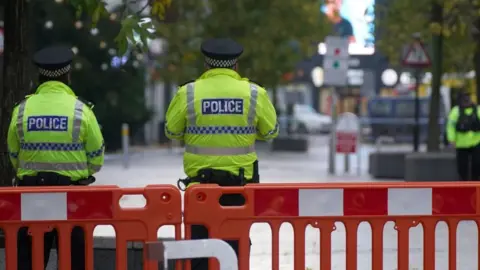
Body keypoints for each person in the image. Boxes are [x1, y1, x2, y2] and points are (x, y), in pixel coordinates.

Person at [165, 38, 279, 269]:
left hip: (200, 188)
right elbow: (271, 132)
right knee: (235, 244)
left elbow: (171, 131)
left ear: (207, 66)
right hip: (240, 187)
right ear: (235, 66)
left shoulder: (188, 93)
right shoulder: (254, 93)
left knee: (199, 245)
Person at [7, 45, 105, 270]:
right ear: (67, 75)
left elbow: (14, 154)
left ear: (40, 76)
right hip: (72, 199)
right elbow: (96, 158)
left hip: (31, 198)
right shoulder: (81, 110)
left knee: (30, 261)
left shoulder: (22, 110)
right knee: (74, 261)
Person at [447, 92, 480, 181]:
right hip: (461, 143)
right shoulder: (456, 111)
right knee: (462, 167)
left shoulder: (477, 110)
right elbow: (451, 126)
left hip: (476, 142)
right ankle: (463, 185)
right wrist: (451, 139)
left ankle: (475, 185)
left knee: (477, 165)